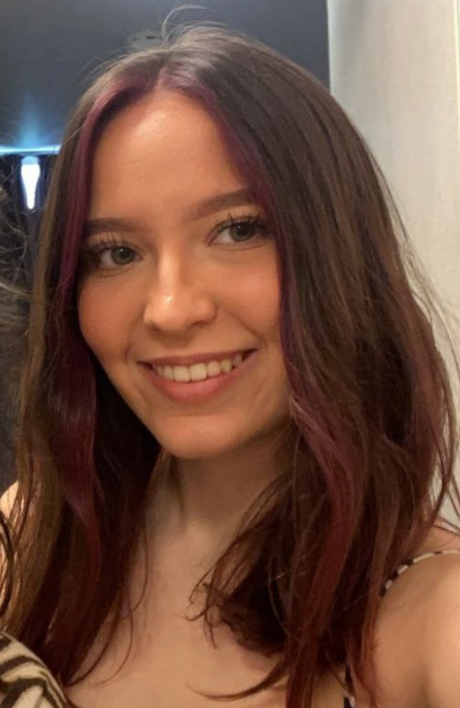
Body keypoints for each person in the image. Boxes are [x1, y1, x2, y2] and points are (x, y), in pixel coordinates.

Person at [1, 20, 460, 708]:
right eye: (117, 252)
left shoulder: (428, 615)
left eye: (239, 229)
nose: (170, 309)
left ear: (340, 257)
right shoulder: (35, 533)